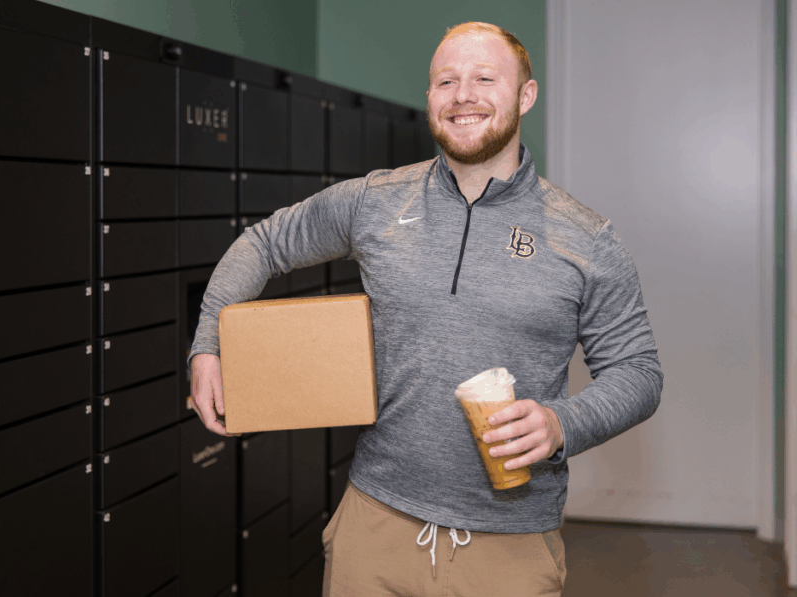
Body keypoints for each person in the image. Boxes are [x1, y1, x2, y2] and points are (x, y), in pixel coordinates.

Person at [188, 21, 663, 597]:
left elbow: (638, 372)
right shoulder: (375, 201)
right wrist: (209, 343)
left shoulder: (585, 239)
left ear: (525, 96)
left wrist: (564, 423)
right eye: (446, 81)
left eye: (485, 78)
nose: (463, 95)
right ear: (431, 97)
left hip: (510, 545)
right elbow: (263, 243)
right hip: (375, 527)